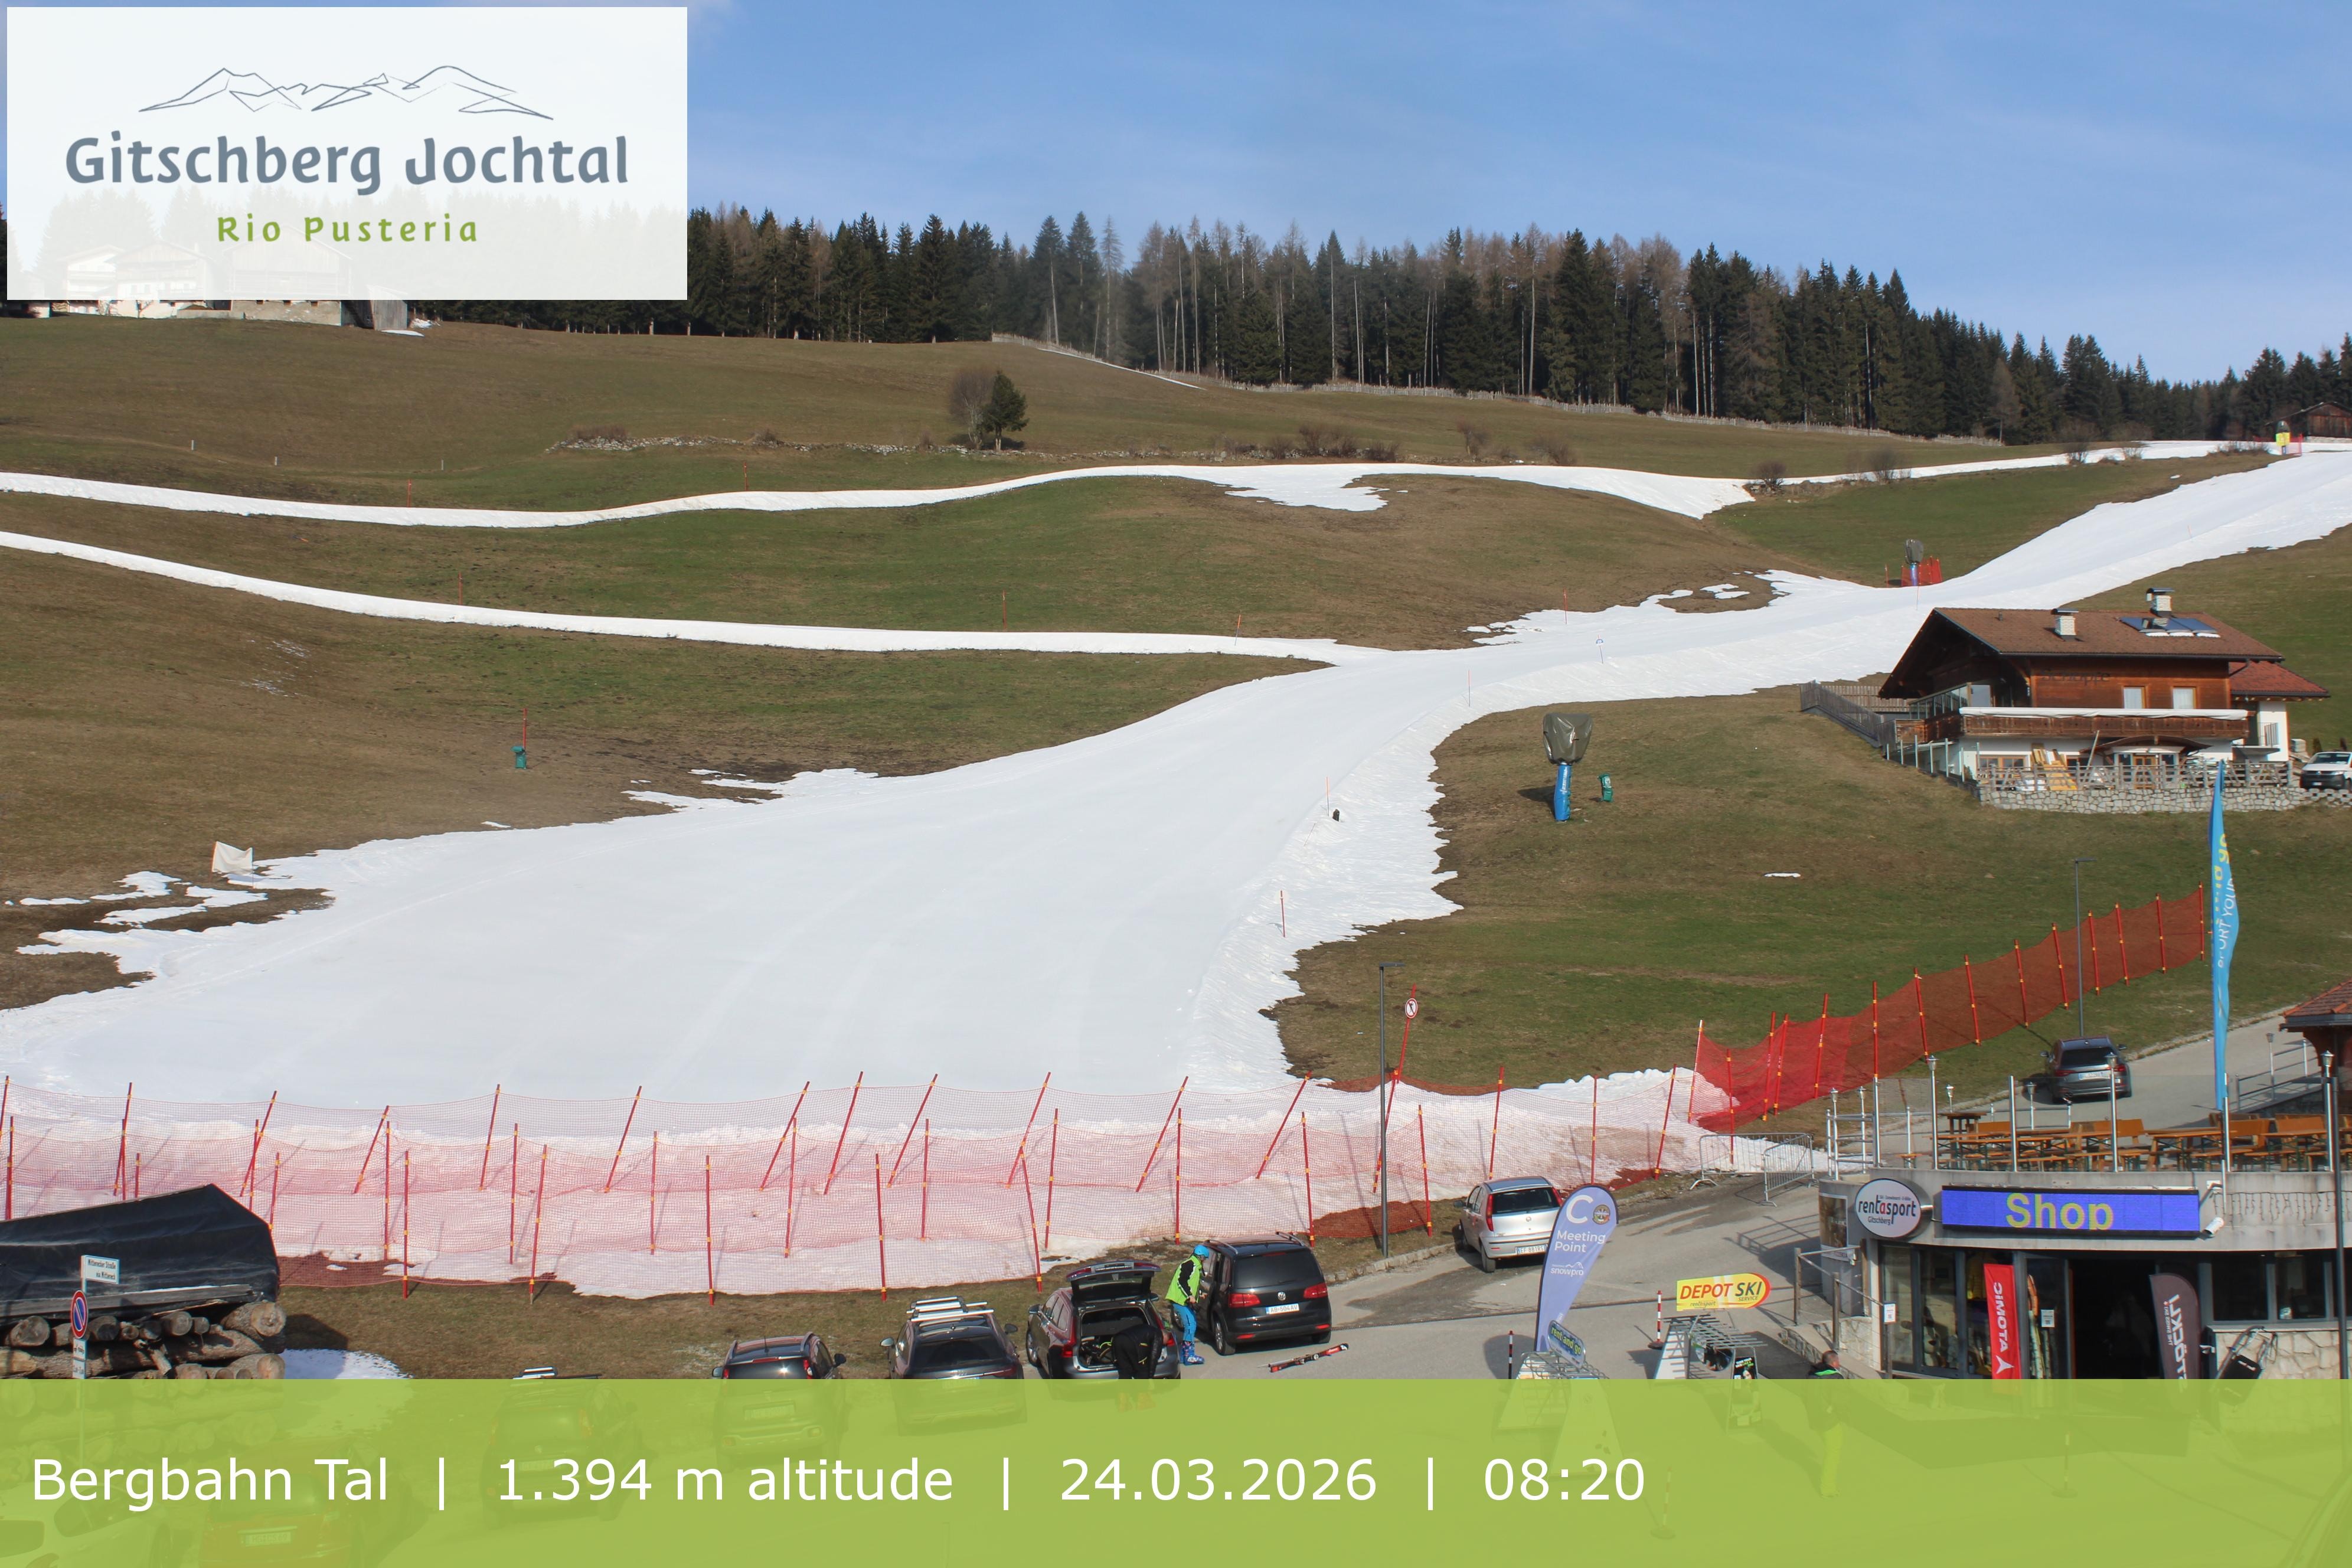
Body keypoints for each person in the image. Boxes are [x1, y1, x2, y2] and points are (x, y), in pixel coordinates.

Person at [1166, 1244, 1210, 1366]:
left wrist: (1198, 1295)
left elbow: (1192, 1284)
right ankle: (1189, 1355)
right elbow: (1181, 1281)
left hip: (1184, 1300)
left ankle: (1185, 1355)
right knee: (1190, 1325)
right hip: (1180, 1300)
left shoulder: (1195, 1266)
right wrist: (1190, 1296)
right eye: (1205, 1258)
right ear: (1201, 1257)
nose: (1205, 1261)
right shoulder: (1190, 1265)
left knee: (1192, 1323)